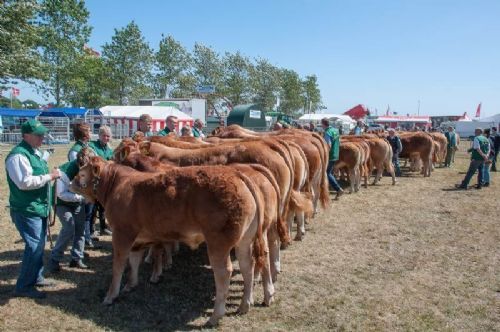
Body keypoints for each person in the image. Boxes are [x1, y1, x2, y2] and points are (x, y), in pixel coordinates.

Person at [5, 119, 61, 298]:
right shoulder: (18, 156)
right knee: (34, 247)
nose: (42, 137)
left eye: (43, 134)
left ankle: (36, 277)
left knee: (39, 245)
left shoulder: (33, 152)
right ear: (26, 135)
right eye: (38, 135)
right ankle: (23, 286)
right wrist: (49, 176)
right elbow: (24, 182)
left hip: (38, 207)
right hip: (27, 209)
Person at [48, 149, 89, 272]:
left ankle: (76, 258)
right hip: (62, 203)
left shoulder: (87, 170)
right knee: (69, 228)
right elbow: (61, 194)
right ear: (79, 164)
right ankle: (55, 259)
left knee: (80, 228)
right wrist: (81, 197)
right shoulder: (65, 173)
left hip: (77, 202)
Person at [88, 125, 113, 236]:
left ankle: (103, 226)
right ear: (99, 136)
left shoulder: (109, 148)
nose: (106, 138)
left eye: (108, 136)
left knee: (103, 206)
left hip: (105, 181)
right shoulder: (92, 146)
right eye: (104, 136)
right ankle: (92, 230)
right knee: (93, 207)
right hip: (94, 181)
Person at [321, 118, 343, 199]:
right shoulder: (335, 130)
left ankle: (338, 189)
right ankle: (329, 187)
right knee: (329, 172)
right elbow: (339, 142)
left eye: (321, 124)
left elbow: (328, 145)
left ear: (323, 124)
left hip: (330, 155)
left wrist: (325, 154)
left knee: (327, 173)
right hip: (335, 154)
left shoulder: (328, 132)